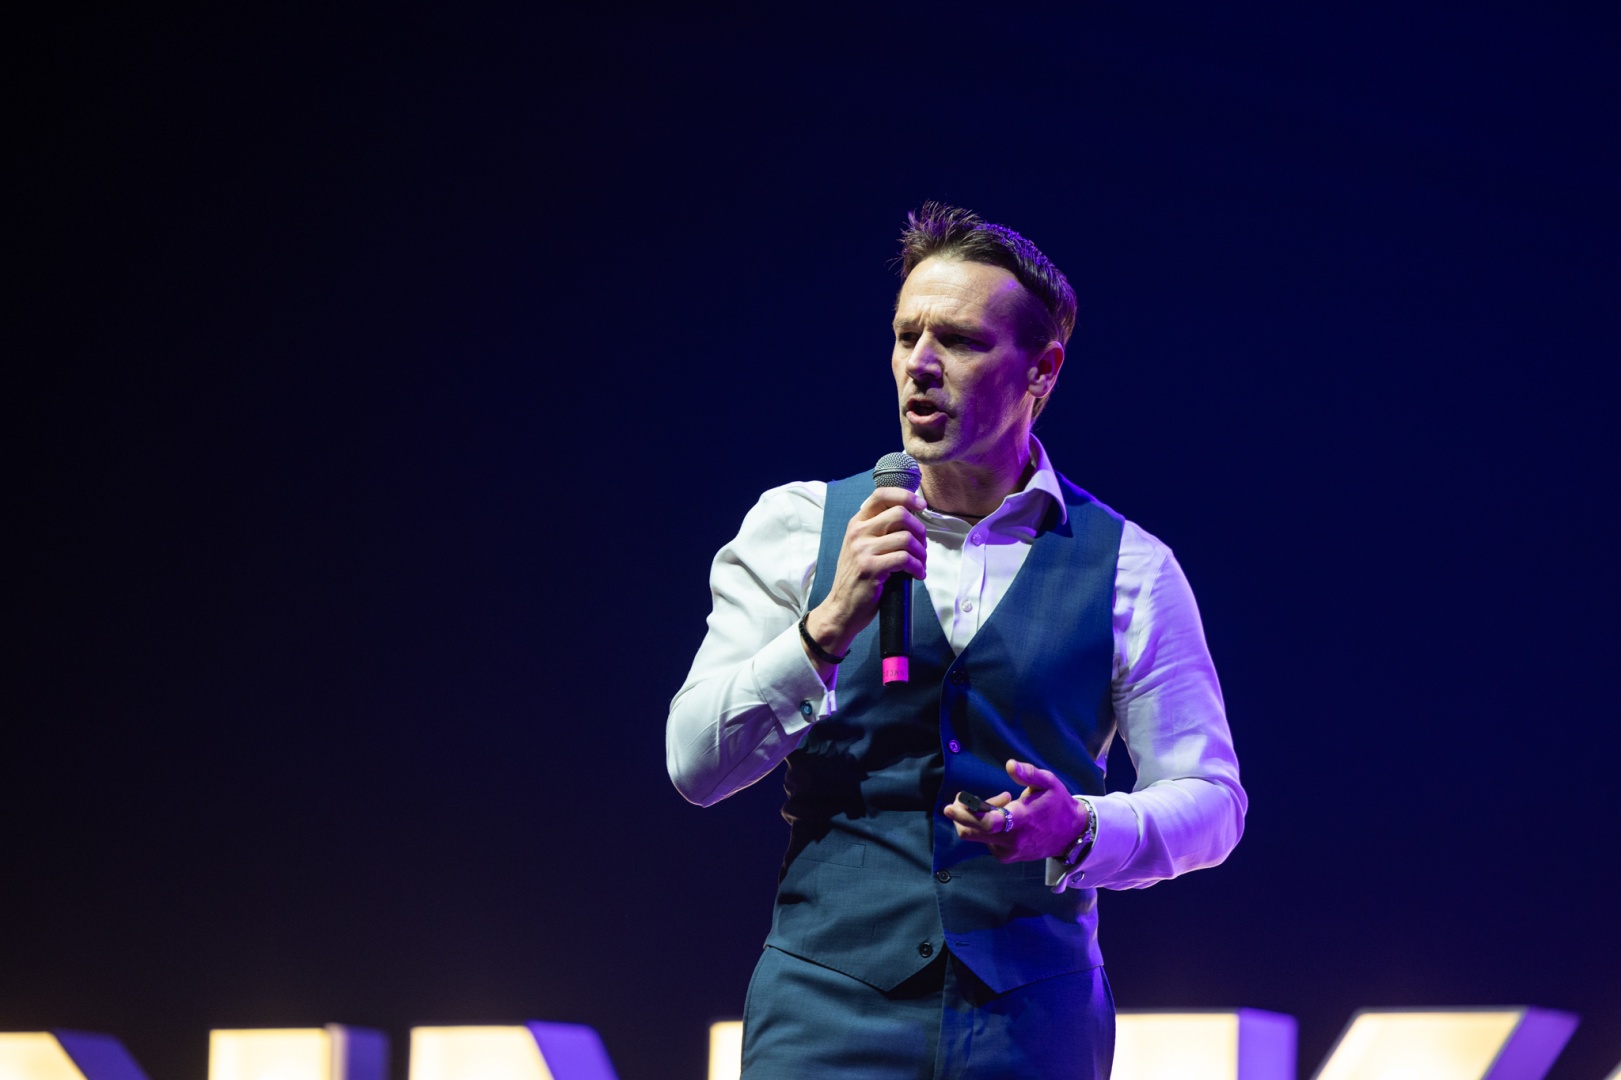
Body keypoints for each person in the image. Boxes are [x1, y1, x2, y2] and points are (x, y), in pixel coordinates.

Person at [666, 202, 1246, 1079]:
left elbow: (1211, 800)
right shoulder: (798, 528)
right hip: (825, 1016)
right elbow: (693, 764)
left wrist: (1081, 828)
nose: (921, 365)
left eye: (961, 341)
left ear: (1041, 370)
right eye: (906, 336)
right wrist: (824, 628)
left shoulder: (1131, 566)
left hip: (1031, 1024)